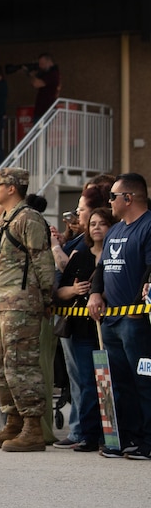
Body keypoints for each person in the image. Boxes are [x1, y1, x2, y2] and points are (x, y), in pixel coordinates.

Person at [0, 166, 56, 452]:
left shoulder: (28, 218)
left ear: (12, 188)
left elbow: (43, 261)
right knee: (1, 366)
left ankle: (32, 427)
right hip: (2, 304)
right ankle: (13, 421)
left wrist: (47, 298)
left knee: (21, 365)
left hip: (22, 305)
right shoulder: (6, 220)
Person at [91, 173, 151, 458]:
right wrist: (95, 293)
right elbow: (101, 268)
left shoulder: (149, 226)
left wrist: (139, 309)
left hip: (136, 321)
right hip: (112, 321)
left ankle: (148, 441)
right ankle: (126, 437)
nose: (109, 202)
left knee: (144, 382)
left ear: (128, 198)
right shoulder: (115, 230)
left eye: (113, 197)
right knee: (120, 383)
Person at [56, 207, 107, 450]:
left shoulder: (116, 254)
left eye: (103, 223)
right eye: (93, 223)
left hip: (111, 327)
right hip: (83, 331)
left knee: (111, 382)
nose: (96, 227)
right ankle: (87, 433)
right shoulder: (80, 256)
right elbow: (59, 292)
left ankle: (111, 432)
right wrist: (75, 291)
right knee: (87, 382)